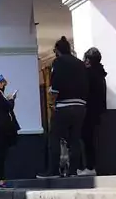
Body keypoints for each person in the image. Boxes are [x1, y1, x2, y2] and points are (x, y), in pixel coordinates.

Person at [38, 36, 88, 179]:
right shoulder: (80, 64)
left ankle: (53, 171)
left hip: (64, 106)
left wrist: (51, 103)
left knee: (54, 137)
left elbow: (55, 87)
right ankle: (73, 170)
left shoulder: (58, 63)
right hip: (80, 106)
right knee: (75, 139)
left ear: (58, 51)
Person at [78, 47, 107, 177]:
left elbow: (84, 91)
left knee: (86, 138)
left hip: (88, 110)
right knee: (90, 138)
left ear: (88, 60)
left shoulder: (88, 74)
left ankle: (90, 166)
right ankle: (91, 166)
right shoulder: (100, 74)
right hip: (97, 111)